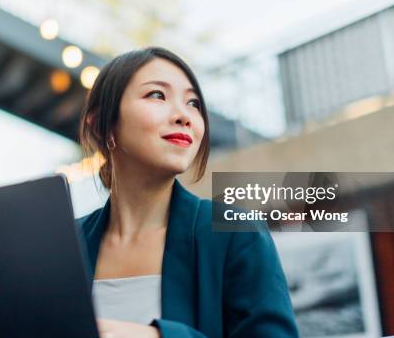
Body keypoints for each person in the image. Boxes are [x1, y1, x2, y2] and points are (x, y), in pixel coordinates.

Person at [76, 47, 299, 338]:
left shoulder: (235, 232)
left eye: (193, 102)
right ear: (102, 125)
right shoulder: (67, 244)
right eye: (157, 95)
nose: (184, 115)